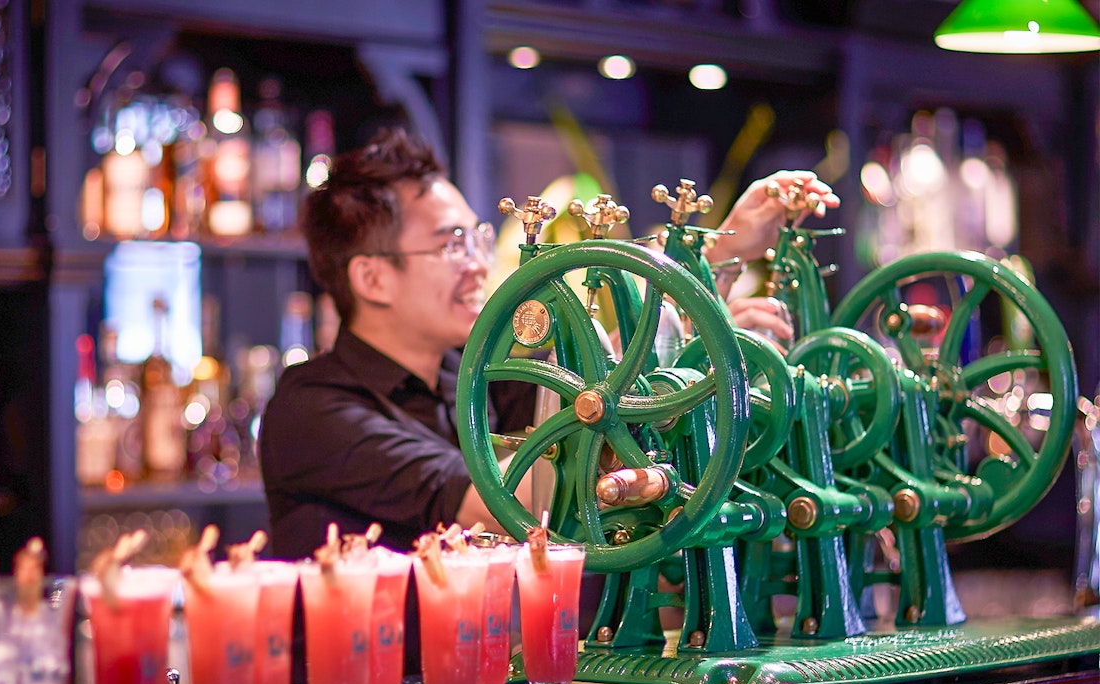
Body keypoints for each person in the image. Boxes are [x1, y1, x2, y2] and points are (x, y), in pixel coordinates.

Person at [260, 130, 838, 561]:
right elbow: (514, 493)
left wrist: (709, 278)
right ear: (372, 278)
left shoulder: (479, 375)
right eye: (451, 244)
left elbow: (591, 398)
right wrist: (694, 308)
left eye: (477, 236)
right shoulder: (313, 408)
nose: (480, 262)